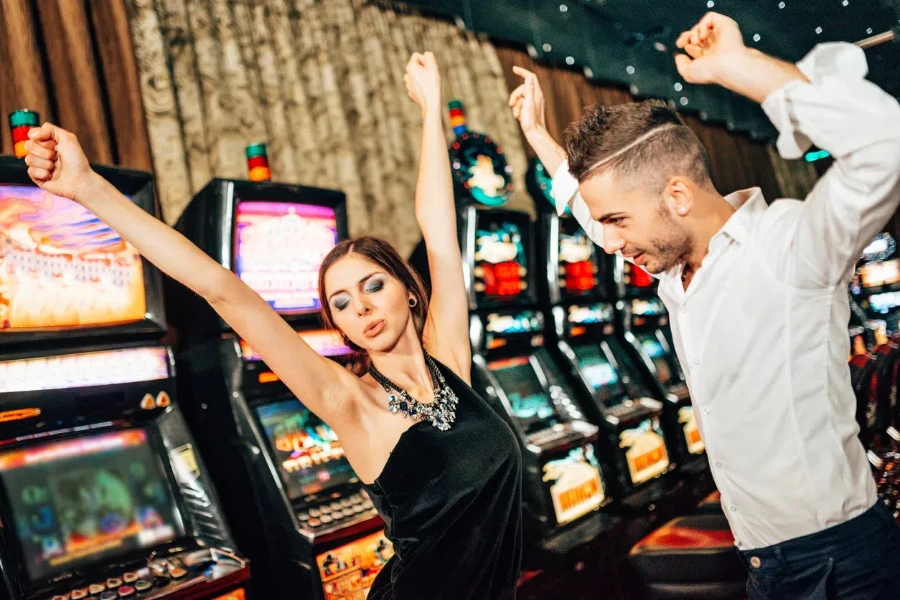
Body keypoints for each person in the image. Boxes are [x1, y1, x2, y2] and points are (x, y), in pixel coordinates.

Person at [23, 52, 522, 600]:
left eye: (374, 286)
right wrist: (89, 187)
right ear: (339, 326)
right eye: (342, 302)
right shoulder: (349, 402)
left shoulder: (450, 359)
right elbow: (222, 289)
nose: (363, 307)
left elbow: (440, 234)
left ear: (407, 288)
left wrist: (430, 108)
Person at [510, 12, 900, 600]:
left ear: (677, 195)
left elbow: (885, 147)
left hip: (837, 560)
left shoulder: (789, 246)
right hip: (766, 564)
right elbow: (593, 211)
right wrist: (537, 133)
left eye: (618, 221)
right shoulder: (672, 265)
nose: (608, 241)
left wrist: (738, 67)